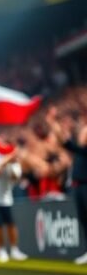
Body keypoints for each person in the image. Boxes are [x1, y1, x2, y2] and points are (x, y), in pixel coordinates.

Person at [50, 107, 87, 265]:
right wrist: (53, 122)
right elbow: (65, 143)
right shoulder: (79, 150)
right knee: (84, 220)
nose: (83, 133)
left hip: (86, 186)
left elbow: (69, 144)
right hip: (77, 187)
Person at [0, 149, 28, 263]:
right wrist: (4, 162)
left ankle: (14, 250)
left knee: (11, 224)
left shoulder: (15, 164)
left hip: (7, 199)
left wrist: (10, 164)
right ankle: (1, 251)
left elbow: (15, 177)